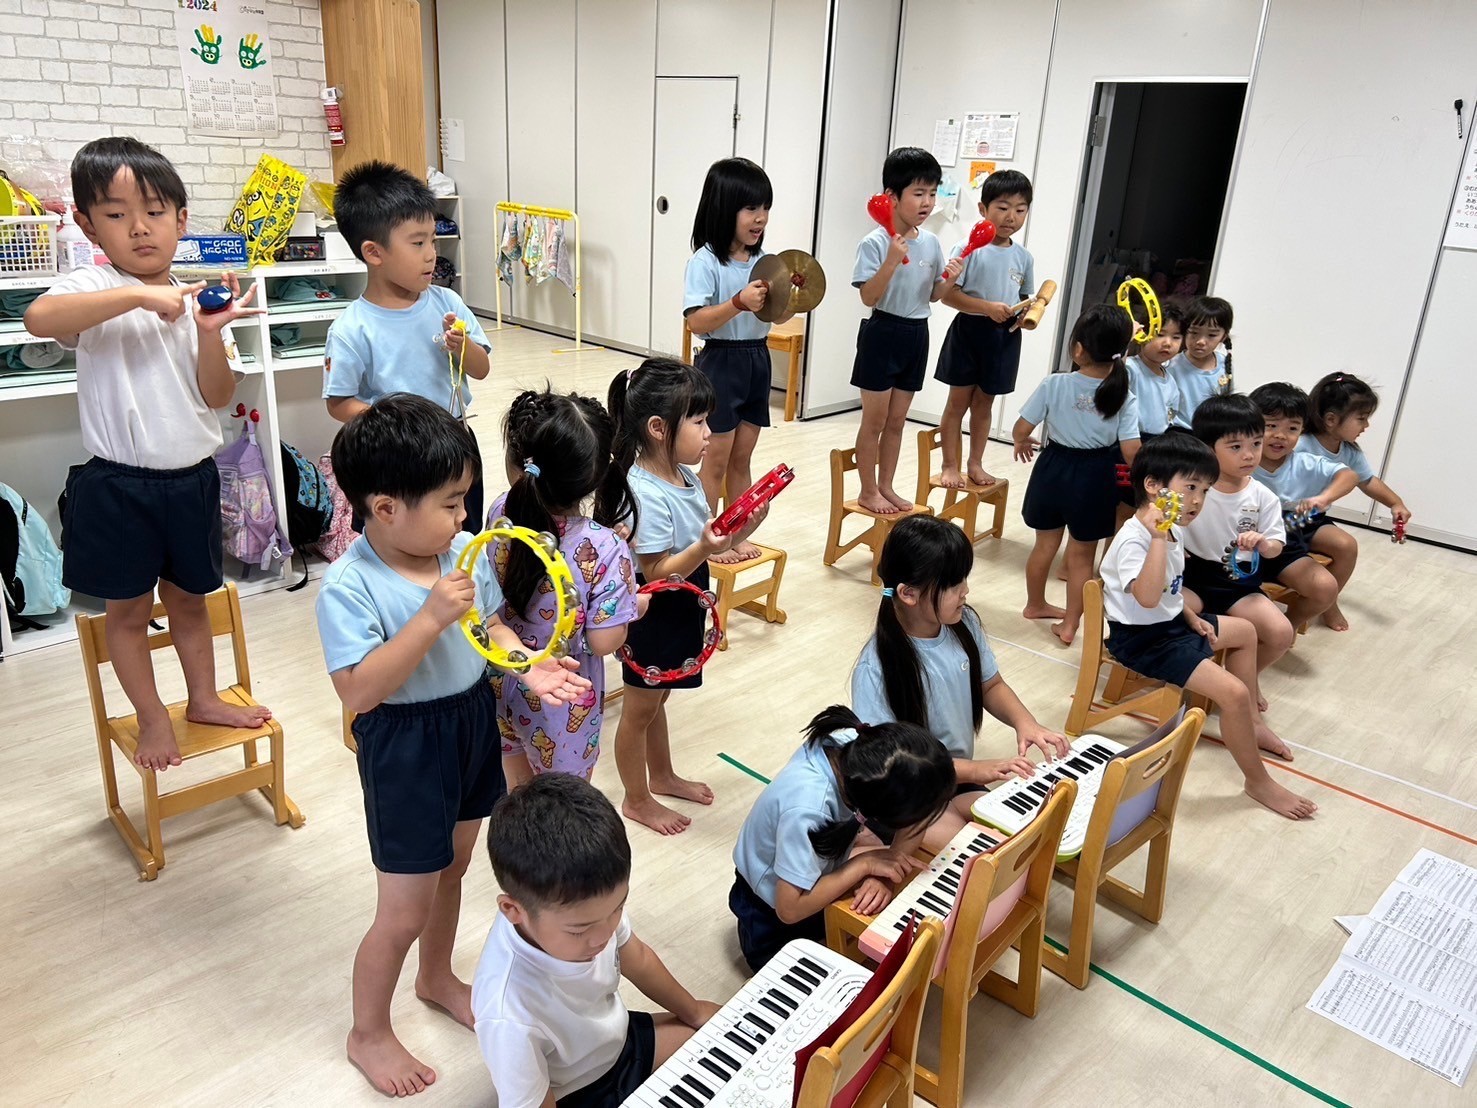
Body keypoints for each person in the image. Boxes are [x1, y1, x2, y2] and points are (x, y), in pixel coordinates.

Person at [315, 395, 590, 1097]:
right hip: (404, 744)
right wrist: (430, 617)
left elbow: (490, 628)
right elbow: (359, 691)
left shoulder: (456, 556)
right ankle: (367, 1032)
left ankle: (435, 977)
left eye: (465, 498)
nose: (464, 516)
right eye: (450, 502)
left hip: (469, 721)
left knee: (457, 866)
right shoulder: (349, 586)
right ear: (385, 508)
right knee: (402, 909)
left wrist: (528, 663)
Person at [25, 136, 269, 773]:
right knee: (127, 613)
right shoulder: (94, 284)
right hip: (118, 485)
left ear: (181, 221)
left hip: (192, 481)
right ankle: (153, 715)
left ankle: (204, 699)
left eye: (155, 212)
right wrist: (138, 295)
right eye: (116, 214)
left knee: (190, 601)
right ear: (88, 225)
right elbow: (39, 319)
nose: (139, 227)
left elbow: (217, 396)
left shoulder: (197, 301)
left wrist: (210, 334)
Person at [1100, 432, 1317, 820]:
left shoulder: (1172, 527)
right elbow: (1146, 598)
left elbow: (1169, 592)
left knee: (1246, 632)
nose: (1198, 500)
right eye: (1190, 488)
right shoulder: (1137, 538)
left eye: (1204, 489)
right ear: (1153, 486)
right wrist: (1157, 541)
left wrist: (1189, 615)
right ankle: (1257, 781)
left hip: (1171, 623)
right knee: (1233, 692)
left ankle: (1249, 721)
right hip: (1144, 641)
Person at [474, 773, 721, 1106]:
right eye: (579, 930)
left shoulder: (591, 905)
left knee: (731, 1034)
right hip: (576, 1092)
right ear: (513, 910)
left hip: (619, 1044)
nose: (604, 936)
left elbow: (639, 958)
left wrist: (693, 1011)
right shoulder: (507, 1012)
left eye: (618, 908)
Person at [606, 358, 767, 835]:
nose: (709, 433)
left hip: (685, 602)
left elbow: (707, 542)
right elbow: (656, 571)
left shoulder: (685, 477)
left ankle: (662, 775)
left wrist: (743, 528)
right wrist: (704, 546)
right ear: (658, 428)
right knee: (638, 711)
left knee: (657, 701)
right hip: (654, 613)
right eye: (698, 422)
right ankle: (637, 799)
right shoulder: (644, 492)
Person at [851, 514, 1067, 849]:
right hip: (906, 792)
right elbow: (891, 767)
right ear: (908, 593)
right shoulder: (876, 668)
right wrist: (978, 770)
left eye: (964, 579)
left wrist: (1026, 723)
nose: (965, 591)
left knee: (1026, 833)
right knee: (988, 853)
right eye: (954, 584)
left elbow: (990, 685)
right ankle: (871, 838)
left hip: (954, 778)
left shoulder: (963, 623)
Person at [489, 387, 647, 787]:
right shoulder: (605, 547)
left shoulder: (500, 511)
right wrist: (632, 606)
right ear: (595, 475)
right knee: (563, 800)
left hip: (503, 675)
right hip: (563, 697)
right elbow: (603, 641)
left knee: (517, 788)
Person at [322, 160, 493, 529]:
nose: (431, 253)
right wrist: (398, 424)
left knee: (461, 532)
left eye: (433, 240)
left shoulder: (447, 303)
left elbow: (481, 369)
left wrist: (462, 347)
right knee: (394, 542)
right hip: (394, 456)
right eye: (417, 243)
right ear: (374, 253)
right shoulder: (352, 329)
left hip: (454, 444)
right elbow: (338, 403)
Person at [729, 704, 954, 971]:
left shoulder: (860, 750)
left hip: (813, 877)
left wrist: (888, 867)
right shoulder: (809, 809)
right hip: (771, 917)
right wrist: (865, 864)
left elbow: (917, 804)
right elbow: (789, 909)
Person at [1013, 303, 1141, 645]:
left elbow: (1021, 427)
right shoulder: (1124, 395)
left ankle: (1035, 604)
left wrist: (1021, 441)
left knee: (1044, 545)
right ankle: (1070, 625)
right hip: (1096, 475)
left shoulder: (1054, 383)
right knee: (1082, 557)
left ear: (1078, 349)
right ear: (1123, 352)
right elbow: (1131, 451)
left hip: (1052, 468)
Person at [1179, 395, 1315, 712]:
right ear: (1208, 447)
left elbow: (1276, 545)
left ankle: (1244, 678)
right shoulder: (1191, 488)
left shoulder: (1263, 496)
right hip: (1192, 578)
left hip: (1238, 583)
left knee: (1281, 633)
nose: (1250, 454)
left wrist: (1264, 544)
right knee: (1169, 614)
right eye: (1236, 447)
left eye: (1256, 443)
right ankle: (1195, 679)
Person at [684, 157, 789, 562]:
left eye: (765, 207)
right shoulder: (706, 261)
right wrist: (738, 302)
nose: (760, 217)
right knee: (715, 462)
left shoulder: (767, 262)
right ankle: (708, 539)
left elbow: (779, 316)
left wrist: (791, 295)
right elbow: (696, 321)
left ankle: (737, 532)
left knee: (742, 459)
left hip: (757, 360)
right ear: (724, 208)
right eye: (750, 208)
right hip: (720, 363)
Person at [851, 146, 964, 514]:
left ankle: (886, 486)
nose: (927, 202)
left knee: (897, 421)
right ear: (892, 197)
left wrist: (950, 279)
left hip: (917, 334)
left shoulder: (930, 242)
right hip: (882, 332)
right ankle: (868, 490)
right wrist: (890, 260)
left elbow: (933, 295)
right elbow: (869, 296)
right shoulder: (873, 242)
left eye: (932, 193)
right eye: (918, 193)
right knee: (875, 421)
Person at [934, 169, 1037, 488]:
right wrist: (987, 308)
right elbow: (948, 296)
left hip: (1004, 337)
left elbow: (1026, 297)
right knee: (957, 403)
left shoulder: (1024, 257)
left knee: (984, 404)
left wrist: (1025, 313)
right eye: (1002, 207)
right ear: (983, 209)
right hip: (969, 331)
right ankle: (949, 465)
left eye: (1020, 209)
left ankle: (975, 464)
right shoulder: (968, 248)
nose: (1011, 217)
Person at [1251, 382, 1361, 631]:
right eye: (1271, 426)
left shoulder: (1304, 462)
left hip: (1292, 530)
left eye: (1292, 428)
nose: (1281, 435)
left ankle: (1295, 621)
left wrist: (1323, 498)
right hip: (1246, 538)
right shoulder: (1241, 460)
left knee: (1330, 576)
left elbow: (1349, 476)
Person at [1297, 370, 1412, 547]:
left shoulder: (1350, 452)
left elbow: (1367, 481)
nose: (1366, 425)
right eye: (1361, 418)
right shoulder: (1300, 445)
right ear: (1331, 419)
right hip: (1282, 518)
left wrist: (1396, 503)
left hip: (1313, 519)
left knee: (1347, 546)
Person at [1125, 298, 1186, 443]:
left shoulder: (1170, 381)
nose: (1168, 343)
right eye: (1160, 334)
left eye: (1176, 337)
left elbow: (1170, 415)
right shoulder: (1129, 368)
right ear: (1142, 333)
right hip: (1130, 439)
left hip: (1157, 441)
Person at [1166, 295, 1234, 426]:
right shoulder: (1172, 365)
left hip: (1211, 432)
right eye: (1194, 332)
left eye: (1212, 335)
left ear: (1223, 337)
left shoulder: (1224, 364)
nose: (1201, 341)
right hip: (1178, 431)